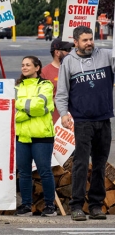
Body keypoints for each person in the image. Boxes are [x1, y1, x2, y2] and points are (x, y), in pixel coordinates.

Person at [56, 25, 114, 221]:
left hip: (103, 119)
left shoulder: (106, 56)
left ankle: (96, 205)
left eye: (91, 39)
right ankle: (76, 205)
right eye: (85, 40)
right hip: (81, 121)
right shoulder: (68, 62)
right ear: (76, 42)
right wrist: (64, 114)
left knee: (99, 164)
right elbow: (62, 93)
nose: (89, 43)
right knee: (81, 163)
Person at [14, 56, 56, 217]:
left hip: (42, 136)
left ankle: (50, 206)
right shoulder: (17, 87)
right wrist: (29, 110)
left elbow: (41, 106)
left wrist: (22, 109)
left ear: (37, 68)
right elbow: (13, 111)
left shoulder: (46, 85)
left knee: (45, 171)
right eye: (22, 65)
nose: (24, 67)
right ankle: (26, 205)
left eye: (28, 65)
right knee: (24, 173)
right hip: (22, 136)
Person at [40, 38, 73, 123]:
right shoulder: (44, 73)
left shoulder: (75, 69)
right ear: (57, 52)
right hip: (55, 122)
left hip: (76, 120)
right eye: (67, 50)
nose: (71, 52)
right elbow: (41, 98)